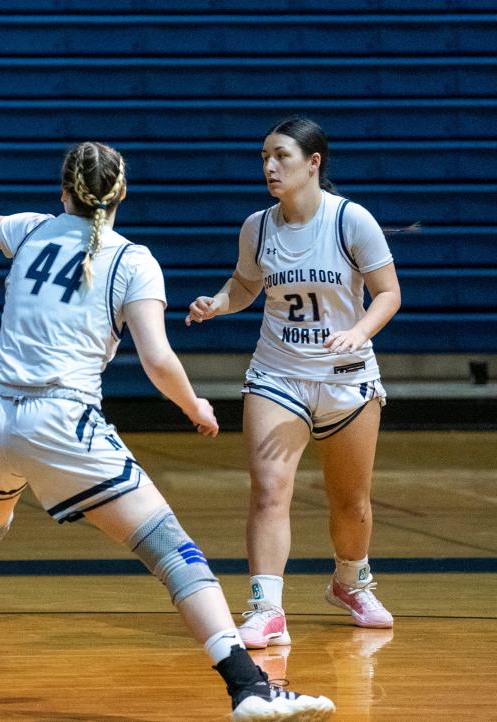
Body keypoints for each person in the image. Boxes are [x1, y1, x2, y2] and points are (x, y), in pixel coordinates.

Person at [0, 131, 336, 721]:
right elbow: (158, 359)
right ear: (121, 195)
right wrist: (195, 407)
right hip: (61, 419)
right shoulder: (130, 258)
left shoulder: (33, 229)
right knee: (172, 551)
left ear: (64, 191)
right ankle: (249, 688)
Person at [186, 116, 400, 650]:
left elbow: (389, 294)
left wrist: (358, 330)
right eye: (264, 157)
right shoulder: (257, 226)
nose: (269, 166)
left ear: (314, 163)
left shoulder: (352, 221)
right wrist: (219, 303)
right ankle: (266, 607)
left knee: (351, 502)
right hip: (277, 374)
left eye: (281, 156)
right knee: (268, 492)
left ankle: (350, 582)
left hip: (347, 379)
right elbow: (244, 284)